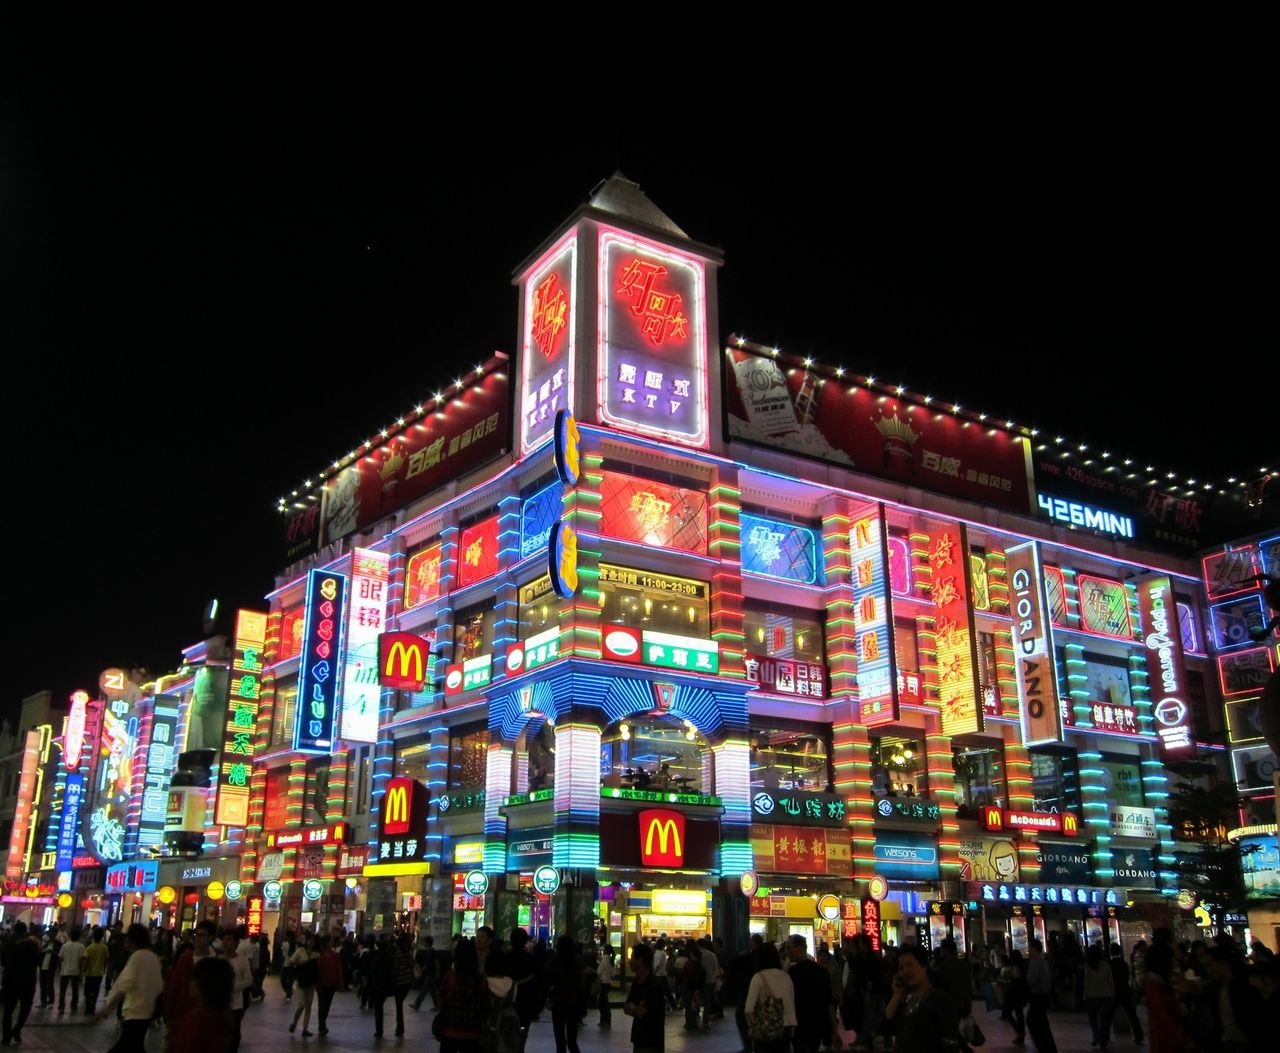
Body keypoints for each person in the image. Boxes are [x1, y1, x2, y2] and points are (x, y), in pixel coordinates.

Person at [95, 923, 164, 1053]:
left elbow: (123, 985)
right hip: (147, 1013)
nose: (125, 940)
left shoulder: (137, 957)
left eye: (128, 937)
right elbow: (159, 986)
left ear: (133, 939)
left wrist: (107, 1008)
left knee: (126, 1047)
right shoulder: (153, 957)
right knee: (135, 1047)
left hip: (134, 1013)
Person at [882, 944, 958, 1053]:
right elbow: (885, 1029)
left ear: (924, 966)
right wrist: (897, 995)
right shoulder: (903, 999)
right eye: (901, 968)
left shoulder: (941, 1000)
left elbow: (950, 1044)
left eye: (910, 965)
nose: (905, 971)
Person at [165, 955, 233, 1053]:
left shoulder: (197, 1020)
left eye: (193, 978)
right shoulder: (222, 1015)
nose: (190, 983)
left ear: (201, 984)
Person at [788, 934, 836, 1053]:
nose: (787, 951)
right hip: (818, 1024)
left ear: (799, 948)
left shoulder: (792, 973)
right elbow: (829, 1002)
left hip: (800, 1025)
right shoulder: (821, 971)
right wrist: (833, 1029)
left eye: (789, 947)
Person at [163, 922, 217, 1026]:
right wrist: (169, 1011)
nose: (199, 938)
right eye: (197, 935)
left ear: (211, 938)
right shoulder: (185, 959)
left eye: (203, 935)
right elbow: (175, 985)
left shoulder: (216, 961)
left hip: (208, 1013)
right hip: (184, 1010)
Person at [745, 942, 794, 1053]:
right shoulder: (786, 976)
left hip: (765, 1030)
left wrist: (753, 1026)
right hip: (785, 1029)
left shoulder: (758, 978)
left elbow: (749, 1009)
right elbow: (790, 1004)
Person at [439, 939, 485, 1053]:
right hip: (472, 1032)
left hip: (450, 1029)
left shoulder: (450, 977)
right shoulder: (480, 979)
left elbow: (440, 1002)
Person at [1, 921, 42, 1046]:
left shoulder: (9, 945)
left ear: (14, 931)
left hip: (10, 981)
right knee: (25, 1008)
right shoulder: (32, 946)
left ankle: (6, 1037)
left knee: (8, 1010)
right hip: (27, 982)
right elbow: (38, 961)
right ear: (25, 932)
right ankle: (17, 1029)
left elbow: (3, 962)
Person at [624, 942, 665, 1053]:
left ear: (640, 960)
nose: (630, 961)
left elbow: (641, 1012)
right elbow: (626, 1007)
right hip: (638, 1039)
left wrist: (633, 1008)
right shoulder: (636, 982)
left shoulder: (654, 986)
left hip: (651, 1042)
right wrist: (636, 1008)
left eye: (632, 958)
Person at [547, 935, 586, 1053]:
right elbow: (579, 984)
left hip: (558, 1002)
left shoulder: (555, 962)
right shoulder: (576, 962)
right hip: (573, 1002)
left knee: (559, 1040)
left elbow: (550, 981)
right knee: (572, 1040)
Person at [218, 929, 253, 1053]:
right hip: (219, 1004)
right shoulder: (218, 960)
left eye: (229, 939)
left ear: (235, 942)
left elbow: (248, 979)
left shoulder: (242, 960)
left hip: (235, 1004)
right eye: (224, 940)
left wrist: (234, 987)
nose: (225, 943)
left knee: (233, 1036)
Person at [1025, 939, 1058, 1053]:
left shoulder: (1035, 962)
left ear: (1034, 948)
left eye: (1030, 947)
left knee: (1034, 1021)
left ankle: (1044, 1047)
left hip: (1037, 995)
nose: (1028, 949)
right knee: (1042, 1023)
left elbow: (1031, 980)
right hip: (1044, 995)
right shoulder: (1043, 961)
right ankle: (1048, 1048)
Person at [1107, 944, 1143, 1043]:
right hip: (1125, 991)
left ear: (1111, 952)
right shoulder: (1124, 964)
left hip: (1115, 992)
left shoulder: (1110, 964)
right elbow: (1127, 976)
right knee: (1132, 1015)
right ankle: (1139, 1035)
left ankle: (1105, 1036)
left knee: (1108, 1016)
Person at [1083, 944, 1115, 1050]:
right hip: (1105, 995)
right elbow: (1110, 981)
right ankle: (1103, 1040)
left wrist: (1085, 995)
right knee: (1104, 1019)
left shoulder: (1089, 967)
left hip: (1092, 995)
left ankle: (1096, 1034)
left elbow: (1087, 983)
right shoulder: (1106, 966)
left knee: (1093, 1019)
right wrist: (1112, 993)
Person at [288, 934, 320, 1036]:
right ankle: (294, 1022)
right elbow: (291, 961)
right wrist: (300, 964)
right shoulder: (300, 951)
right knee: (302, 1004)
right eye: (310, 940)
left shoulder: (316, 954)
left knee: (309, 1006)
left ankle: (305, 1029)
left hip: (311, 983)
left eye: (313, 941)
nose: (311, 942)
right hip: (301, 982)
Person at [315, 935, 345, 1036]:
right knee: (322, 1005)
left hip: (331, 984)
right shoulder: (320, 956)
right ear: (326, 943)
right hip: (322, 984)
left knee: (327, 1005)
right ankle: (322, 1025)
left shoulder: (335, 955)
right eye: (330, 941)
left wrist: (340, 982)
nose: (332, 943)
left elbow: (338, 969)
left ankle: (322, 1023)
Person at [57, 926, 85, 1014]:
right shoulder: (81, 947)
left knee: (63, 990)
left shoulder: (65, 946)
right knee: (75, 990)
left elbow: (60, 959)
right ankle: (73, 1006)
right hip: (75, 971)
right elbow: (81, 961)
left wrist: (60, 968)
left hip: (65, 971)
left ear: (70, 935)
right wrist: (81, 973)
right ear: (79, 936)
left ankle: (61, 1007)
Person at [83, 926, 110, 1016]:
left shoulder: (89, 948)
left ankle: (87, 1008)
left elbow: (86, 961)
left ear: (93, 937)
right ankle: (93, 1008)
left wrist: (83, 970)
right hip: (99, 973)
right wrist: (104, 969)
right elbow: (106, 960)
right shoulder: (104, 948)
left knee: (87, 991)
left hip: (89, 973)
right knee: (95, 991)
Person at [413, 935, 439, 1011]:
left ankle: (417, 1004)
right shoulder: (427, 952)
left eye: (425, 942)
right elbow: (427, 964)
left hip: (431, 973)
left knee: (424, 990)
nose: (424, 943)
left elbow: (436, 963)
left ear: (427, 943)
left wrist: (437, 972)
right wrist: (422, 971)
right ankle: (437, 1005)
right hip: (429, 973)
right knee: (432, 991)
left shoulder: (433, 952)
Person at [597, 944, 615, 1028]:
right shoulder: (611, 960)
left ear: (606, 950)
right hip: (609, 983)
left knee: (602, 1003)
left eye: (604, 949)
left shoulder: (604, 959)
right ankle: (607, 1021)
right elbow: (613, 974)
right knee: (605, 1003)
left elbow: (599, 972)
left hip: (603, 983)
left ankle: (604, 1021)